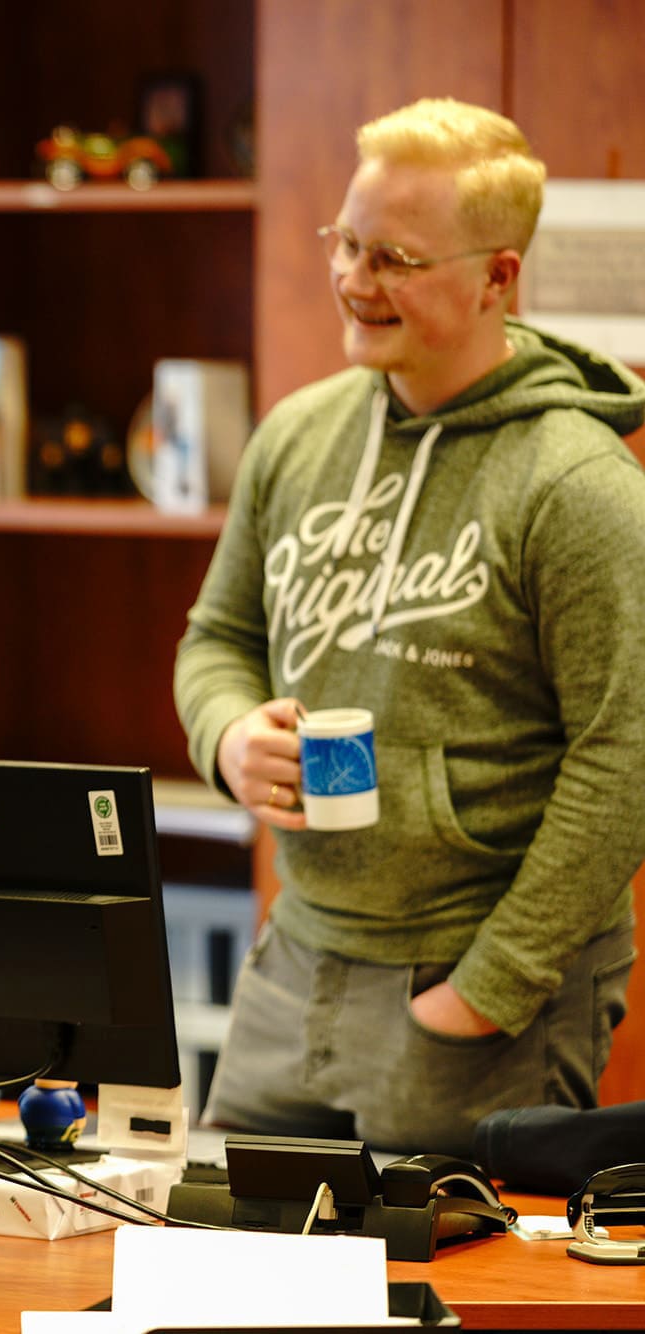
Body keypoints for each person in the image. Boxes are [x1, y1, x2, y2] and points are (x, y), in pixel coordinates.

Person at [174, 98, 645, 1156]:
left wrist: (484, 988)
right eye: (344, 239)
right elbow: (214, 638)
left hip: (471, 986)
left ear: (496, 277)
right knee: (227, 1282)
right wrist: (225, 732)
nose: (350, 277)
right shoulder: (295, 435)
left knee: (451, 1309)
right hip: (294, 958)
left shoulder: (576, 485)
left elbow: (624, 758)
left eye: (390, 255)